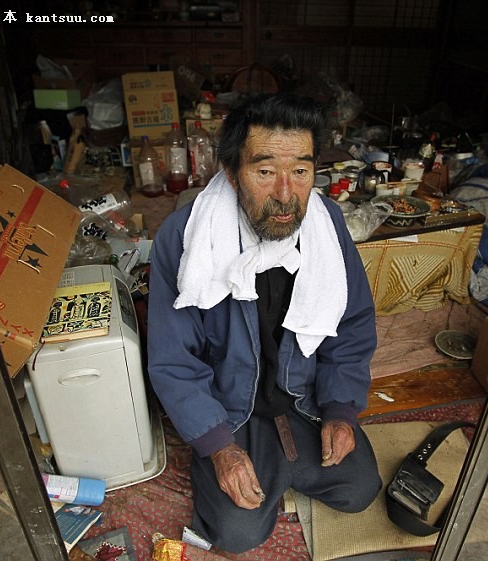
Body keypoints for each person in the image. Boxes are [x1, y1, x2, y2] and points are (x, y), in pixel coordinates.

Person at [147, 92, 381, 553]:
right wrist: (219, 446)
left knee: (359, 490)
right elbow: (173, 359)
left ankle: (288, 460)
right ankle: (243, 459)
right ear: (232, 172)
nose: (286, 194)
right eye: (266, 171)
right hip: (232, 410)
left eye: (301, 171)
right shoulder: (186, 237)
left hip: (304, 399)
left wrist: (339, 410)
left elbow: (352, 324)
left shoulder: (327, 225)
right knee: (237, 534)